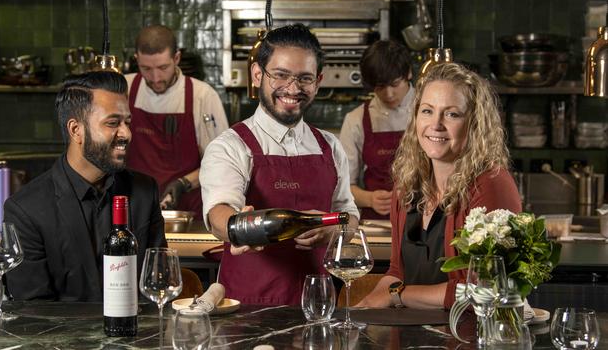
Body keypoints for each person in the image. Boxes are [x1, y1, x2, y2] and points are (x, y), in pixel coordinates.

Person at [200, 24, 360, 305]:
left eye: (304, 79)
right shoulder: (231, 146)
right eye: (281, 75)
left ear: (318, 82)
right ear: (258, 74)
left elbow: (348, 215)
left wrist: (333, 231)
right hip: (247, 310)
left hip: (318, 307)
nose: (293, 88)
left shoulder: (330, 147)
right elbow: (218, 213)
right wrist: (239, 229)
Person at [357, 62, 521, 310]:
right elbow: (396, 272)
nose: (436, 124)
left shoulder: (491, 184)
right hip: (411, 335)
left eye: (452, 114)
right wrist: (365, 307)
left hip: (467, 338)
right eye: (427, 111)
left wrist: (397, 295)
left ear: (475, 123)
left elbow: (483, 290)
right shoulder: (406, 183)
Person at [5, 71, 166, 301]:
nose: (127, 134)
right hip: (61, 337)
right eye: (113, 123)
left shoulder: (144, 191)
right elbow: (33, 314)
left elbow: (157, 283)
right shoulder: (26, 210)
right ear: (75, 130)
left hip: (136, 334)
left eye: (127, 122)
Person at [125, 24, 228, 219]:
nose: (155, 78)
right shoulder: (125, 90)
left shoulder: (202, 96)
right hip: (136, 210)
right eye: (146, 68)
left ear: (177, 58)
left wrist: (184, 183)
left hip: (188, 213)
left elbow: (221, 162)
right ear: (136, 60)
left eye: (163, 67)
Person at [340, 40, 415, 220]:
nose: (388, 94)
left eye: (395, 84)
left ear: (409, 73)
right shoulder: (356, 119)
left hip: (422, 220)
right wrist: (369, 198)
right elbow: (342, 186)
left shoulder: (429, 111)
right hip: (377, 222)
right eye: (380, 87)